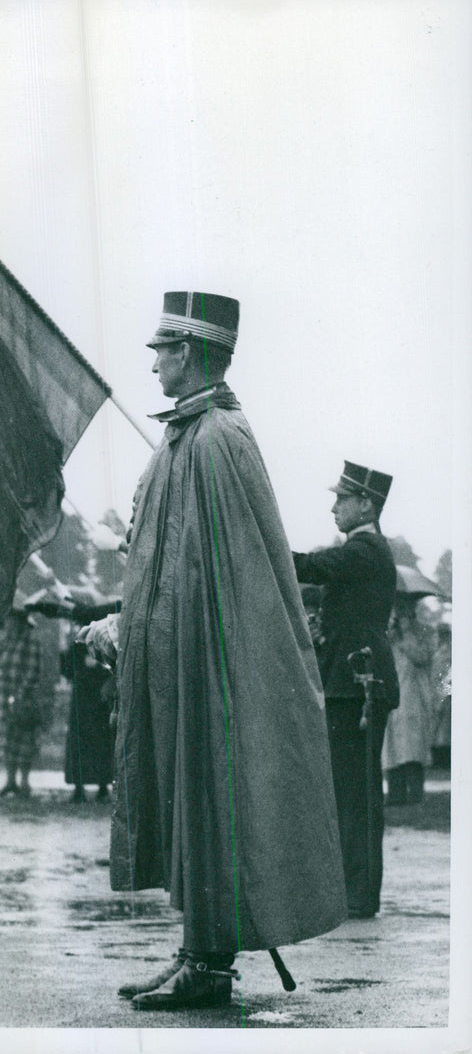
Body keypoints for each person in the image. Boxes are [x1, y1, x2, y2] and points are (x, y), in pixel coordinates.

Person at [80, 291, 346, 1010]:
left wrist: (145, 627)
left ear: (191, 352)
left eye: (163, 350)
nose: (154, 364)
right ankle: (197, 951)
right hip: (181, 658)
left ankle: (210, 965)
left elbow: (226, 575)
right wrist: (129, 618)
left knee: (211, 802)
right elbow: (167, 562)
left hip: (212, 664)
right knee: (190, 804)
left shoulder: (218, 440)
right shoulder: (185, 438)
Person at [293, 460, 399, 918]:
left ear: (366, 505)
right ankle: (351, 889)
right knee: (350, 791)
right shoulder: (362, 552)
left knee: (356, 793)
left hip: (359, 684)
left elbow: (314, 566)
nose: (334, 507)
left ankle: (358, 893)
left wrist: (262, 542)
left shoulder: (365, 550)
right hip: (352, 681)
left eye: (343, 499)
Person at [0, 599, 44, 797]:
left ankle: (24, 782)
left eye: (11, 619)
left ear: (20, 621)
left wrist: (19, 695)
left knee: (23, 740)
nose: (8, 623)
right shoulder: (3, 641)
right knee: (7, 740)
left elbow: (32, 671)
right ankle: (10, 781)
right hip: (1, 696)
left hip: (22, 698)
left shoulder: (30, 641)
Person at [382, 600, 435, 804]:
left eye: (405, 608)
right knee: (392, 745)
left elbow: (422, 657)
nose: (401, 612)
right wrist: (391, 635)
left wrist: (406, 635)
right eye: (398, 608)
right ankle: (395, 794)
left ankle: (414, 793)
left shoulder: (425, 631)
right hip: (392, 691)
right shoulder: (389, 631)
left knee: (412, 745)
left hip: (414, 695)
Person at [60, 637, 113, 802]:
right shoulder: (77, 645)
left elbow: (113, 668)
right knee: (80, 742)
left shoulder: (105, 641)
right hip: (82, 700)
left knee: (101, 742)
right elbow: (67, 670)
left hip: (99, 700)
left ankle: (102, 787)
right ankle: (79, 787)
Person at [431, 622, 452, 769]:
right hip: (434, 691)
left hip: (445, 693)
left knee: (445, 729)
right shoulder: (437, 651)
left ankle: (444, 759)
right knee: (436, 728)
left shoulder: (450, 652)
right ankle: (436, 758)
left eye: (444, 633)